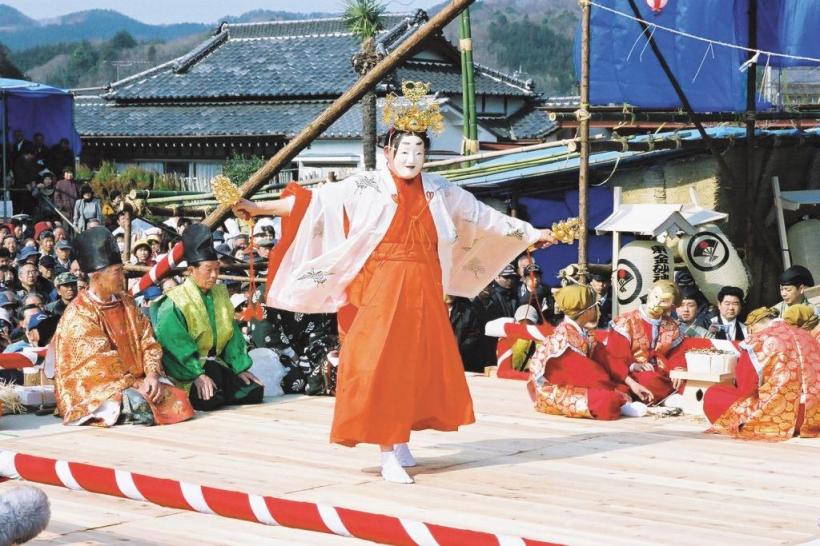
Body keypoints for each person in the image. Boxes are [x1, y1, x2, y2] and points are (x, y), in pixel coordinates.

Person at [232, 81, 558, 483]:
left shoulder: (440, 190)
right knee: (379, 364)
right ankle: (387, 447)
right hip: (378, 286)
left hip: (423, 285)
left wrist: (532, 233)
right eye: (404, 151)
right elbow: (314, 201)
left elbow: (484, 217)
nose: (412, 158)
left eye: (419, 151)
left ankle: (401, 439)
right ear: (389, 152)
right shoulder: (366, 185)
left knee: (418, 364)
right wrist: (257, 206)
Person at [52, 227, 194, 426]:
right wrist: (136, 384)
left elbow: (148, 340)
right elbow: (99, 362)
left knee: (180, 399)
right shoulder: (80, 313)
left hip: (138, 380)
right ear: (97, 277)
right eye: (117, 272)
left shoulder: (126, 302)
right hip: (97, 387)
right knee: (139, 404)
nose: (122, 278)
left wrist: (152, 374)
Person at [154, 224, 264, 412]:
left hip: (217, 363)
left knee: (254, 391)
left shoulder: (220, 294)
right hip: (188, 369)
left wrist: (239, 366)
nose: (214, 275)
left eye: (217, 269)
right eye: (208, 270)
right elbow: (174, 345)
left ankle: (219, 386)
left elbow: (232, 334)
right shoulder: (175, 301)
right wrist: (196, 374)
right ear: (190, 270)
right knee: (209, 399)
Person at [528, 285, 653, 421]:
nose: (597, 310)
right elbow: (588, 375)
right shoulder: (563, 340)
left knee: (627, 386)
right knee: (606, 401)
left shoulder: (584, 332)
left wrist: (631, 383)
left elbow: (606, 359)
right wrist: (616, 391)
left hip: (580, 383)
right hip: (552, 390)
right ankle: (621, 403)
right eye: (595, 305)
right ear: (586, 311)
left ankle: (621, 399)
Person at [704, 307, 820, 440]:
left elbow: (746, 388)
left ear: (753, 326)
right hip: (813, 415)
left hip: (780, 416)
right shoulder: (809, 338)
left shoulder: (757, 340)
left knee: (714, 394)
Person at [606, 280, 688, 405]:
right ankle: (665, 397)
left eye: (664, 301)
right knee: (648, 379)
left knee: (685, 380)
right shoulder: (625, 321)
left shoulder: (672, 326)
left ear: (672, 307)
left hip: (663, 373)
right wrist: (634, 366)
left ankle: (666, 396)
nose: (657, 303)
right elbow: (615, 356)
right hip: (633, 374)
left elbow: (677, 354)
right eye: (655, 297)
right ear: (649, 294)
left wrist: (678, 369)